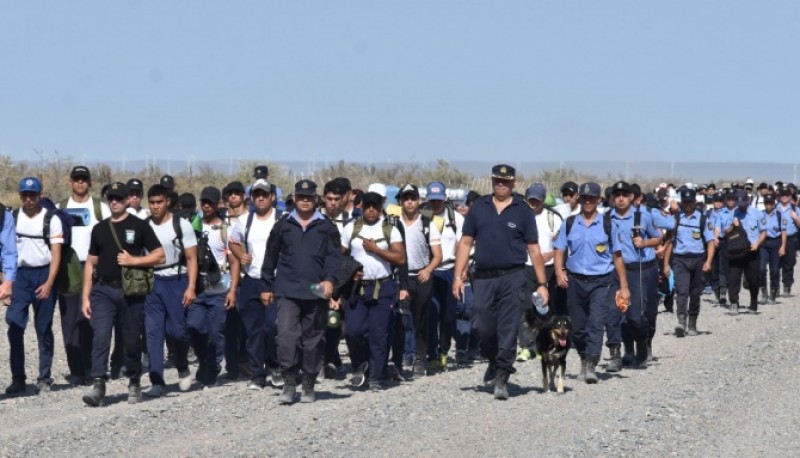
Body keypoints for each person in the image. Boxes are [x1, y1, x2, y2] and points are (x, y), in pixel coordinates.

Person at [452, 164, 549, 400]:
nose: (501, 185)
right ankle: (495, 359)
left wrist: (542, 284)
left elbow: (534, 250)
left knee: (508, 327)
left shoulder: (523, 211)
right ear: (492, 181)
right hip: (483, 277)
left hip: (513, 276)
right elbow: (465, 243)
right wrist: (458, 275)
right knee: (481, 325)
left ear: (514, 183)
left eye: (506, 181)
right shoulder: (479, 208)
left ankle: (503, 376)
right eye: (497, 181)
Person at [81, 182, 165, 406]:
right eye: (111, 198)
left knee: (131, 339)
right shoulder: (99, 229)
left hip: (131, 291)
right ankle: (98, 383)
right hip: (103, 290)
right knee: (100, 336)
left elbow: (159, 256)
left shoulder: (140, 226)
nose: (115, 202)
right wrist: (85, 296)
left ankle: (134, 380)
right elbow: (91, 263)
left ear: (128, 200)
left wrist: (134, 260)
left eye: (119, 198)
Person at [261, 179, 342, 404]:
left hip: (315, 290)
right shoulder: (283, 226)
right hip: (287, 289)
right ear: (295, 198)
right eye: (301, 196)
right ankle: (289, 382)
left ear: (316, 199)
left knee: (313, 339)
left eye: (309, 197)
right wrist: (266, 286)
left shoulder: (327, 227)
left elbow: (334, 258)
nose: (305, 200)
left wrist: (330, 281)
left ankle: (308, 383)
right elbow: (270, 256)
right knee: (286, 335)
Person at [554, 182, 629, 383]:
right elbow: (559, 249)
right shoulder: (569, 223)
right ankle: (583, 357)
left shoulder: (607, 224)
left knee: (596, 323)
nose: (588, 202)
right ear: (579, 199)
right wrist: (559, 271)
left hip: (601, 282)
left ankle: (591, 364)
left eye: (592, 198)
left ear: (598, 200)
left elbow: (618, 256)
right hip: (575, 281)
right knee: (577, 327)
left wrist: (623, 286)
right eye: (585, 198)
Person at [340, 191, 406, 391]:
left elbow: (401, 259)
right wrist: (349, 273)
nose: (371, 209)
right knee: (352, 331)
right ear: (361, 207)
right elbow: (339, 257)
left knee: (379, 334)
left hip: (383, 287)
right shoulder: (350, 228)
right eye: (367, 206)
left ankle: (377, 377)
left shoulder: (390, 229)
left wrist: (376, 249)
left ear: (380, 208)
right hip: (357, 289)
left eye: (375, 206)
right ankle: (361, 366)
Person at [5, 177, 62, 395]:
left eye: (33, 195)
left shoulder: (51, 219)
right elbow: (7, 251)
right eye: (25, 195)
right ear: (20, 196)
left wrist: (49, 282)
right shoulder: (13, 218)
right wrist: (6, 284)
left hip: (44, 274)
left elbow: (56, 254)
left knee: (43, 328)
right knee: (15, 326)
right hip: (20, 277)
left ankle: (44, 377)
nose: (29, 199)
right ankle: (18, 378)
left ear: (40, 195)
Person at [142, 184, 196, 397]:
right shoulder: (144, 226)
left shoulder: (180, 225)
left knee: (177, 331)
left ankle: (182, 365)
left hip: (176, 280)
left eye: (159, 202)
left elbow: (191, 258)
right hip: (152, 281)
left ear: (167, 202)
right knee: (153, 332)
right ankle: (157, 380)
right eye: (152, 203)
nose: (155, 206)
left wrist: (191, 287)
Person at [59, 166, 111, 385]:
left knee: (91, 318)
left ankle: (93, 367)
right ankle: (76, 369)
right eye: (77, 179)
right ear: (70, 182)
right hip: (68, 266)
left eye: (84, 179)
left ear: (90, 183)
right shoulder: (60, 207)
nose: (80, 183)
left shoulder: (101, 208)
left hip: (94, 266)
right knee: (69, 320)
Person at [229, 179, 282, 389]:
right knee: (253, 331)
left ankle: (276, 366)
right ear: (251, 197)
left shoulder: (282, 219)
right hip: (252, 280)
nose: (261, 198)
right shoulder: (245, 221)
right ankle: (257, 375)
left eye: (265, 194)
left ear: (272, 197)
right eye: (257, 194)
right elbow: (233, 242)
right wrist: (241, 255)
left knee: (272, 327)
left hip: (276, 281)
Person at [186, 186, 240, 388]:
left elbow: (235, 262)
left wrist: (233, 290)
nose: (206, 206)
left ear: (218, 204)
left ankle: (214, 364)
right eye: (204, 202)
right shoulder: (194, 226)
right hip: (198, 290)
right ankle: (205, 360)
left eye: (211, 202)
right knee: (193, 327)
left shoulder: (227, 229)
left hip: (219, 291)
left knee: (216, 331)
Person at [607, 181, 662, 368]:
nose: (621, 199)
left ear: (631, 197)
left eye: (624, 195)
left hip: (641, 269)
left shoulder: (643, 216)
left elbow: (658, 238)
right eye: (617, 195)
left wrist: (645, 243)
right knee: (617, 313)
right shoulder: (607, 218)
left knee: (638, 315)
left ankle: (643, 344)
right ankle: (625, 352)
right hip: (616, 271)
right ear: (612, 198)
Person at [394, 184, 442, 377]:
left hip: (422, 277)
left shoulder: (428, 223)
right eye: (406, 198)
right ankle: (399, 359)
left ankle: (420, 359)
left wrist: (428, 269)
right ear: (400, 201)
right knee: (400, 320)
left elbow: (438, 255)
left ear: (419, 201)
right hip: (401, 277)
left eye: (413, 198)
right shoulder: (393, 223)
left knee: (421, 320)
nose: (410, 202)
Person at [517, 183, 563, 363]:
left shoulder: (554, 217)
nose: (534, 203)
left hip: (549, 267)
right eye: (531, 200)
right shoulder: (520, 216)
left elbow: (562, 245)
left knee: (547, 307)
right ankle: (527, 346)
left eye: (537, 200)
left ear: (544, 199)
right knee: (525, 307)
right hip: (526, 266)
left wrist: (550, 255)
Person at [423, 181, 464, 370]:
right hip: (430, 271)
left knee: (448, 317)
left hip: (449, 270)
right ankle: (431, 354)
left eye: (439, 200)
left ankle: (444, 350)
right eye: (432, 201)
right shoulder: (423, 217)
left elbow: (462, 246)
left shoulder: (455, 218)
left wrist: (461, 274)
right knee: (432, 313)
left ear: (445, 198)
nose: (436, 204)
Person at [663, 188, 715, 336]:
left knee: (695, 293)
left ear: (695, 202)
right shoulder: (676, 220)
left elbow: (710, 242)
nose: (687, 205)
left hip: (698, 259)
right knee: (682, 291)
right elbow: (670, 243)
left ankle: (692, 323)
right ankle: (681, 322)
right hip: (680, 259)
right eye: (685, 202)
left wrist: (709, 261)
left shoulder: (703, 219)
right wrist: (666, 264)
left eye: (690, 202)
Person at [758, 194, 786, 304]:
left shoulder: (779, 215)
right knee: (761, 269)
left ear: (774, 204)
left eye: (771, 203)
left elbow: (783, 231)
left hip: (775, 243)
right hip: (764, 244)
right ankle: (764, 292)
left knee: (774, 270)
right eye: (766, 203)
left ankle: (773, 293)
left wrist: (783, 246)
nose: (769, 205)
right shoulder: (760, 215)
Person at [776, 187, 800, 296]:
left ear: (790, 196)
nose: (784, 197)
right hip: (778, 238)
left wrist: (796, 218)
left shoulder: (795, 209)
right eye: (782, 195)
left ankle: (787, 286)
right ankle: (774, 287)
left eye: (786, 195)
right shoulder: (775, 208)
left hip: (791, 238)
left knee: (789, 263)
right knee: (776, 263)